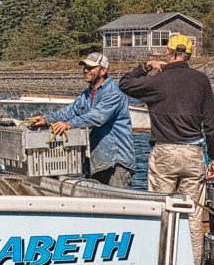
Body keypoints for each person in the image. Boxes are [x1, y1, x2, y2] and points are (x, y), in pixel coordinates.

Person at [119, 34, 214, 265]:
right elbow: (210, 123)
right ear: (190, 55)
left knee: (162, 213)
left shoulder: (157, 81)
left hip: (164, 152)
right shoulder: (201, 81)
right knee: (194, 219)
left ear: (168, 53)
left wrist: (147, 67)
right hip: (193, 152)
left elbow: (124, 82)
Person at [29, 52, 135, 189]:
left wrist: (70, 124)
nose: (85, 70)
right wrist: (46, 119)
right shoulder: (86, 94)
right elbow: (70, 111)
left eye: (90, 67)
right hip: (95, 163)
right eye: (84, 67)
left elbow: (97, 117)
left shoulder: (114, 92)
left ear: (103, 71)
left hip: (116, 164)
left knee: (118, 205)